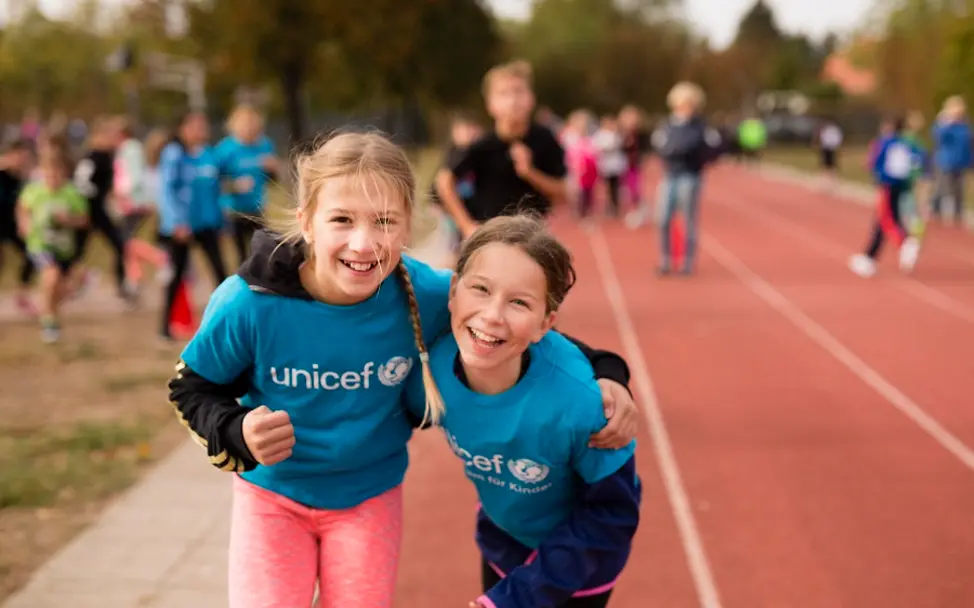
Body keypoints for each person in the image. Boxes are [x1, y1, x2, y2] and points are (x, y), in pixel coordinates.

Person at [167, 131, 639, 608]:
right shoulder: (248, 304)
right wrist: (235, 432)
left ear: (409, 227)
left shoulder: (427, 294)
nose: (363, 242)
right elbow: (190, 388)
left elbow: (513, 328)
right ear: (306, 221)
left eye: (385, 221)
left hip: (367, 501)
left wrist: (608, 371)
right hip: (270, 499)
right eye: (342, 219)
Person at [405, 214, 640, 608]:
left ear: (545, 324)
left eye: (518, 302)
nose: (493, 314)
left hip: (577, 571)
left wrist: (520, 596)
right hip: (504, 540)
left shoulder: (584, 406)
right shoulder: (433, 370)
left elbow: (612, 515)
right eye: (480, 289)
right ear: (452, 293)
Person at [435, 60, 567, 238]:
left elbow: (562, 192)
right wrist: (466, 225)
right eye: (503, 94)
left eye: (519, 91)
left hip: (534, 234)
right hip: (493, 234)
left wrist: (530, 172)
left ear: (531, 98)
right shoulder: (482, 145)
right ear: (490, 104)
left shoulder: (544, 138)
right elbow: (444, 181)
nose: (513, 100)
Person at [157, 111, 228, 341]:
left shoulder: (208, 154)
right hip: (182, 227)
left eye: (203, 126)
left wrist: (221, 219)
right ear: (182, 128)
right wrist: (178, 223)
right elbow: (167, 192)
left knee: (221, 272)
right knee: (177, 275)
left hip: (207, 223)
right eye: (195, 126)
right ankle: (165, 327)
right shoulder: (174, 154)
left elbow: (216, 188)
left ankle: (227, 321)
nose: (200, 131)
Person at [16, 148, 89, 343]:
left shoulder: (71, 193)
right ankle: (49, 323)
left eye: (57, 174)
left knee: (64, 287)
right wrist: (24, 224)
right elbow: (22, 208)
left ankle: (47, 310)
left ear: (64, 174)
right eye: (48, 173)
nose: (52, 178)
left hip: (64, 248)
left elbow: (84, 220)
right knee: (51, 275)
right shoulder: (34, 191)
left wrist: (68, 220)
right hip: (40, 244)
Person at [652, 82, 721, 276]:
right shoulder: (667, 124)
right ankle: (665, 260)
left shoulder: (701, 126)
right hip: (670, 174)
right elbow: (660, 145)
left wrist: (697, 157)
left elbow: (711, 147)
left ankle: (686, 262)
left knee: (688, 220)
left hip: (690, 175)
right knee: (663, 219)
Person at [848, 117, 924, 278]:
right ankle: (869, 257)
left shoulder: (885, 142)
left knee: (885, 219)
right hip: (901, 185)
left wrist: (871, 167)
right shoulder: (907, 143)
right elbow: (918, 162)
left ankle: (904, 243)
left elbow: (873, 161)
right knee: (886, 219)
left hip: (887, 185)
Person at [215, 104, 278, 265]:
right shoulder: (225, 149)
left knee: (261, 251)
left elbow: (273, 181)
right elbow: (214, 181)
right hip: (234, 209)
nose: (250, 129)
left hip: (257, 207)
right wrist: (235, 186)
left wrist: (272, 170)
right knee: (241, 255)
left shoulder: (264, 145)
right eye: (245, 125)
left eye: (253, 125)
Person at [0, 137, 38, 316]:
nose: (23, 161)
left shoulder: (21, 179)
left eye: (26, 157)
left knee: (32, 253)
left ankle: (22, 294)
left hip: (11, 225)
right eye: (20, 156)